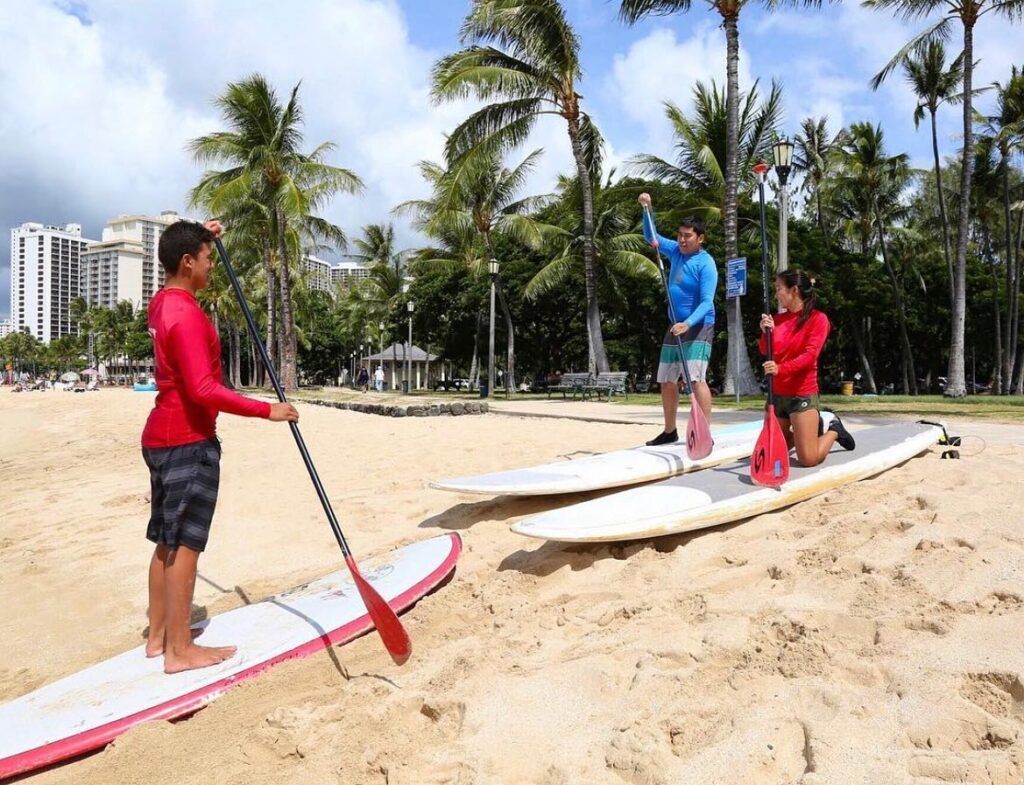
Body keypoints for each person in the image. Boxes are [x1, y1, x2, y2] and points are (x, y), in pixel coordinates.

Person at [142, 220, 299, 674]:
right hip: (188, 441)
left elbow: (180, 245)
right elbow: (204, 389)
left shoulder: (162, 303)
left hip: (160, 437)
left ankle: (158, 637)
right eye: (207, 258)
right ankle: (179, 651)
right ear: (186, 262)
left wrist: (202, 233)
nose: (212, 265)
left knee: (166, 541)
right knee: (186, 544)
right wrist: (266, 410)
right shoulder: (187, 316)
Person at [638, 193, 718, 446]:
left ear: (700, 238)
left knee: (695, 379)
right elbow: (651, 237)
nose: (682, 240)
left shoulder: (706, 264)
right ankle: (669, 431)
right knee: (666, 379)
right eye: (680, 235)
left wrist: (688, 323)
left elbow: (707, 302)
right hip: (675, 326)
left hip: (699, 325)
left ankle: (704, 433)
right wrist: (647, 209)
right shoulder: (675, 251)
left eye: (687, 236)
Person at [759, 270, 855, 466]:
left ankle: (834, 430)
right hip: (776, 395)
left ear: (794, 290)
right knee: (769, 455)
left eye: (779, 289)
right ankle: (805, 435)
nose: (776, 294)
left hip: (801, 394)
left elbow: (810, 357)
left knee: (808, 459)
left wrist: (780, 369)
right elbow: (764, 350)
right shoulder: (777, 320)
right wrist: (765, 332)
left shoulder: (818, 319)